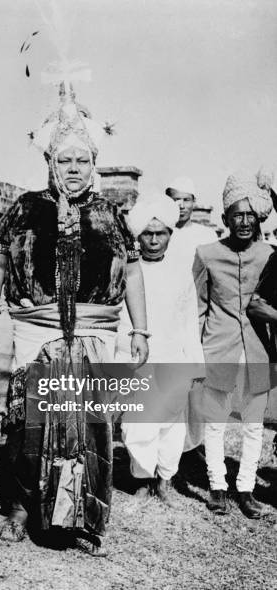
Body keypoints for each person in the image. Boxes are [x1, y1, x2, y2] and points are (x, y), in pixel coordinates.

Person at [0, 83, 148, 556]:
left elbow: (132, 270)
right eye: (65, 161)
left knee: (90, 426)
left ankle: (78, 517)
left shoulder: (111, 215)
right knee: (28, 424)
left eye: (82, 161)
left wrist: (140, 329)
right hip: (35, 331)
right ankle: (20, 505)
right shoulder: (25, 208)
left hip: (95, 334)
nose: (74, 170)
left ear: (94, 164)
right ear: (50, 163)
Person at [193, 168, 273, 519]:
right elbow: (198, 307)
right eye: (236, 214)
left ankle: (246, 489)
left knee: (254, 424)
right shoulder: (207, 254)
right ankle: (217, 487)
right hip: (218, 347)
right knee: (215, 421)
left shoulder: (270, 255)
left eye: (249, 215)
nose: (243, 221)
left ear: (258, 218)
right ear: (224, 217)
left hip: (257, 349)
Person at [116, 196, 205, 505]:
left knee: (171, 422)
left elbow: (189, 322)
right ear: (138, 235)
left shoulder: (181, 273)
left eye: (161, 233)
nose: (154, 240)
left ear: (170, 233)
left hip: (174, 357)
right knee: (136, 422)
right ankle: (142, 479)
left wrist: (195, 365)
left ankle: (165, 479)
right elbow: (121, 317)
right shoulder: (128, 270)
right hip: (137, 356)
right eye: (147, 233)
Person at [165, 176, 216, 270]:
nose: (181, 206)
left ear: (194, 202)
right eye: (176, 200)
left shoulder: (207, 235)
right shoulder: (159, 235)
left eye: (186, 200)